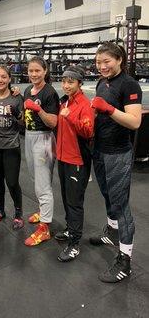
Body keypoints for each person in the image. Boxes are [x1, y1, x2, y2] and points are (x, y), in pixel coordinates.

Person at [89, 42, 142, 283]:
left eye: (106, 61)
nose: (102, 66)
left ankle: (125, 260)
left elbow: (134, 122)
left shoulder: (129, 84)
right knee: (108, 195)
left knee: (121, 204)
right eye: (99, 62)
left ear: (119, 59)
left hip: (118, 153)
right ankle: (111, 232)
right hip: (99, 149)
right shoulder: (102, 82)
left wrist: (108, 109)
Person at [55, 65, 94, 262]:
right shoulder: (65, 102)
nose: (66, 85)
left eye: (70, 81)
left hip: (77, 160)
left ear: (79, 83)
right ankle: (70, 230)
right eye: (64, 81)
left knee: (75, 202)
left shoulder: (84, 105)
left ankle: (75, 244)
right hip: (63, 158)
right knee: (66, 198)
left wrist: (70, 116)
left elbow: (88, 132)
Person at [23, 56, 59, 246]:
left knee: (43, 184)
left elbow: (53, 122)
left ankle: (45, 228)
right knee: (35, 179)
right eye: (31, 71)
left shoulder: (49, 92)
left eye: (38, 70)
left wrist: (38, 110)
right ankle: (42, 211)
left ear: (45, 71)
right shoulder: (28, 90)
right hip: (29, 136)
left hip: (44, 138)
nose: (34, 74)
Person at [0, 66, 24, 230]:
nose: (0, 80)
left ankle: (18, 212)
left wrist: (15, 115)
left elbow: (23, 124)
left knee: (12, 181)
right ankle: (0, 209)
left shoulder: (17, 98)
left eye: (3, 77)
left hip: (11, 145)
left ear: (9, 79)